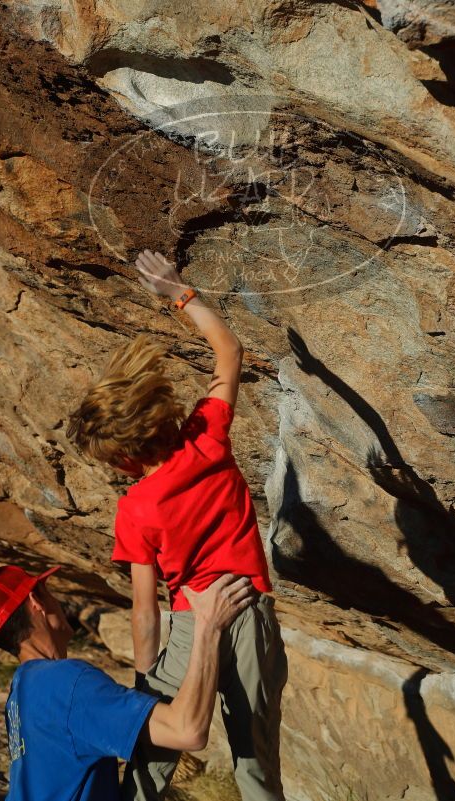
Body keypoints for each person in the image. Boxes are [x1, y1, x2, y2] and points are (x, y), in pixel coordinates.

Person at [67, 250, 288, 801]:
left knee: (150, 759)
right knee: (254, 759)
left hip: (193, 624)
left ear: (123, 455)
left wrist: (146, 686)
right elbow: (229, 351)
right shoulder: (207, 439)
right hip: (250, 609)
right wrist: (176, 291)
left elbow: (145, 612)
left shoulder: (136, 509)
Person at [0, 562, 255, 801]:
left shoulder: (21, 692)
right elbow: (187, 730)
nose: (58, 603)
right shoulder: (65, 682)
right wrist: (208, 627)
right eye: (50, 593)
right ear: (36, 602)